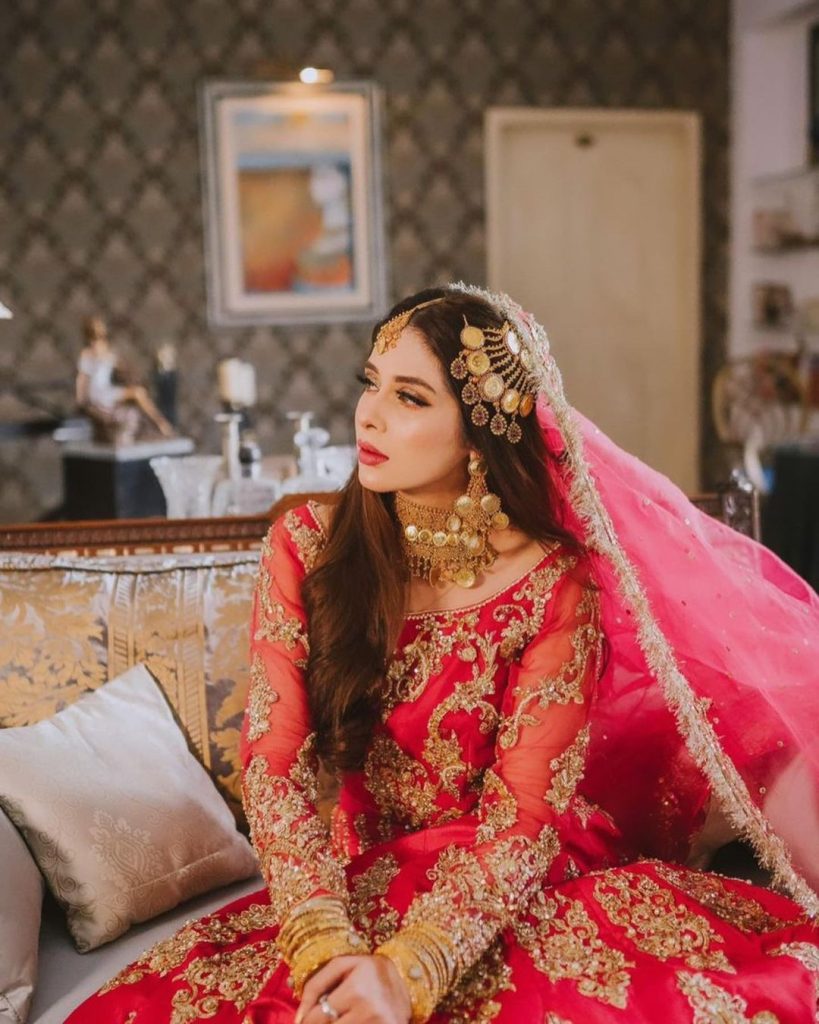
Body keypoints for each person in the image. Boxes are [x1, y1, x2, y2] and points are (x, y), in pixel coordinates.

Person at [67, 286, 818, 1023]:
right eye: (371, 383)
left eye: (411, 398)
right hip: (346, 887)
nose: (369, 413)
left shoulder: (555, 583)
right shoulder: (306, 547)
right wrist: (324, 941)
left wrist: (409, 972)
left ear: (480, 429)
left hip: (510, 882)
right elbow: (275, 764)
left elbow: (522, 818)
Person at [76, 315, 175, 441]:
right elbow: (82, 378)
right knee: (138, 394)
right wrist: (80, 400)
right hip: (98, 393)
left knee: (139, 392)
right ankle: (161, 424)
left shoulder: (106, 349)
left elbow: (120, 367)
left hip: (106, 389)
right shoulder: (87, 352)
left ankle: (157, 425)